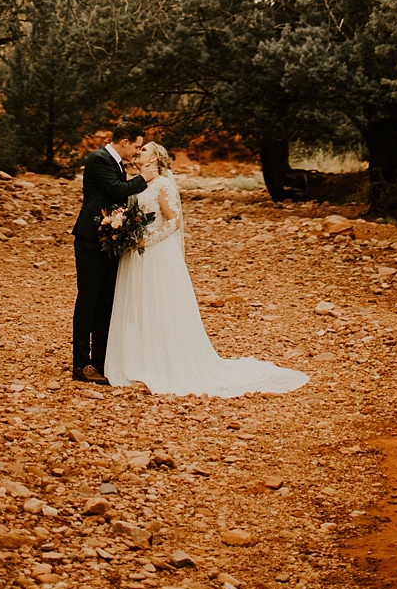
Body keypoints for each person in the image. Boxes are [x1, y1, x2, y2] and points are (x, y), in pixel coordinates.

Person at [104, 141, 309, 398]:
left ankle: (162, 364)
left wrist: (146, 240)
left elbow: (174, 222)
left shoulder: (163, 185)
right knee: (137, 303)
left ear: (156, 158)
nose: (139, 151)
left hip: (156, 253)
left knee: (159, 304)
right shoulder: (136, 182)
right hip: (135, 252)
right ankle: (135, 361)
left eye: (144, 149)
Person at [71, 121, 147, 384]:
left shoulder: (115, 162)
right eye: (136, 146)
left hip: (108, 240)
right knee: (89, 301)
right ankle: (81, 364)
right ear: (124, 142)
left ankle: (101, 362)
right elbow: (117, 190)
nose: (137, 152)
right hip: (90, 240)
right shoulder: (98, 159)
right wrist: (145, 178)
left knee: (106, 303)